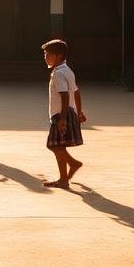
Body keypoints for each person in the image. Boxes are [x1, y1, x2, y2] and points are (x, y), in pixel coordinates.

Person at [41, 39, 85, 189]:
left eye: (47, 54)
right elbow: (76, 92)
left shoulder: (58, 73)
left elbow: (65, 96)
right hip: (68, 112)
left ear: (58, 55)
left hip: (61, 114)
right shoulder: (67, 70)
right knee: (57, 146)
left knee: (54, 145)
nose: (45, 57)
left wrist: (63, 118)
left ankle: (70, 168)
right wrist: (79, 112)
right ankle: (65, 176)